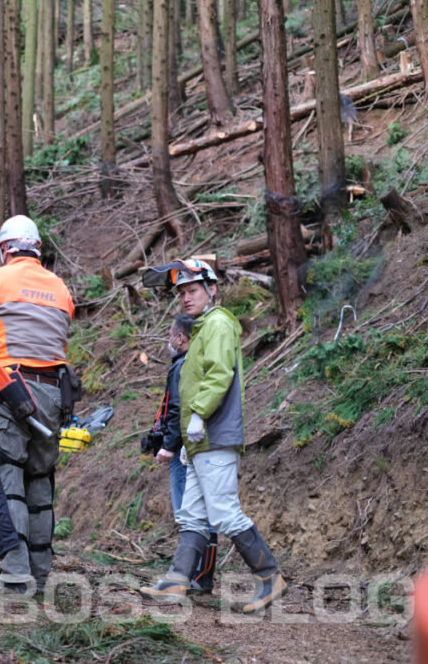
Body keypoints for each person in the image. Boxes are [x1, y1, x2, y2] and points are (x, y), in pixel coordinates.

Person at [139, 258, 285, 613]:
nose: (186, 298)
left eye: (192, 290)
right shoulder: (202, 327)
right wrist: (188, 436)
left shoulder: (218, 324)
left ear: (212, 288)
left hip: (215, 435)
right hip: (198, 440)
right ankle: (177, 581)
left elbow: (220, 375)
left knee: (224, 513)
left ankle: (270, 577)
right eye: (182, 293)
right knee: (191, 515)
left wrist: (199, 414)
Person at [0, 215, 75, 596]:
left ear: (5, 248)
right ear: (37, 248)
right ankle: (38, 576)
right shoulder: (60, 287)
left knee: (6, 483)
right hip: (54, 393)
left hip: (8, 389)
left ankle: (16, 578)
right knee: (40, 484)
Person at [142, 313, 217, 593]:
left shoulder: (180, 367)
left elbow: (176, 409)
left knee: (190, 513)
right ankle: (200, 576)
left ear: (180, 338)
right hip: (196, 444)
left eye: (170, 335)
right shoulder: (197, 364)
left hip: (183, 449)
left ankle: (190, 577)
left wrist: (168, 446)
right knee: (201, 511)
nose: (168, 341)